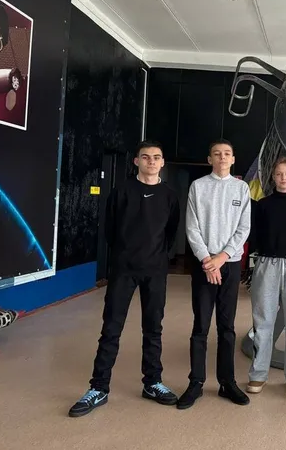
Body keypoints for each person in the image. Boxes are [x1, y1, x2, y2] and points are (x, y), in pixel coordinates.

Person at [68, 141, 180, 418]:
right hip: (124, 270)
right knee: (111, 329)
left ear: (162, 163)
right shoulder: (122, 191)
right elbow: (110, 229)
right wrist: (125, 255)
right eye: (146, 157)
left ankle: (152, 383)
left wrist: (157, 257)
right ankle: (98, 387)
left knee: (153, 329)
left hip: (155, 271)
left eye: (156, 157)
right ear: (136, 161)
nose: (151, 161)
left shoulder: (169, 195)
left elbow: (171, 232)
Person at [177, 139, 251, 409]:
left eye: (227, 153)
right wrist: (208, 261)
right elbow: (192, 227)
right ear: (210, 159)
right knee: (201, 326)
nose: (222, 157)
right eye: (217, 154)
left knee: (227, 327)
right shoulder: (198, 187)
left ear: (233, 159)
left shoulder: (241, 188)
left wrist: (221, 258)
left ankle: (227, 382)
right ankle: (196, 382)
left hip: (229, 264)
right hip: (204, 264)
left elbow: (243, 228)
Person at [247, 157, 286, 395]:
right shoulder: (263, 205)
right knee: (263, 320)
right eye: (279, 174)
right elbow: (256, 234)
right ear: (273, 177)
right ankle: (258, 374)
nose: (283, 178)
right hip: (267, 264)